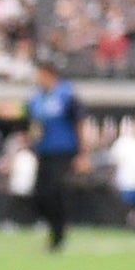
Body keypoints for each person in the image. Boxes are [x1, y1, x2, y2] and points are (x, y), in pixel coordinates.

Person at [22, 61, 84, 250]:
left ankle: (58, 235)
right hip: (45, 153)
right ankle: (53, 229)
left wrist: (83, 153)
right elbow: (30, 120)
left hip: (64, 152)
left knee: (55, 192)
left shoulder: (67, 95)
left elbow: (79, 122)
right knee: (41, 195)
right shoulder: (37, 98)